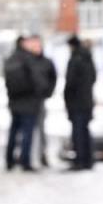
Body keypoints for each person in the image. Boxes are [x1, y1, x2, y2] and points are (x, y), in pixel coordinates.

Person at [3, 35, 48, 171]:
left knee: (13, 132)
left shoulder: (11, 59)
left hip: (14, 102)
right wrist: (42, 91)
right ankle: (25, 161)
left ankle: (9, 160)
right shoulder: (29, 59)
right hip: (29, 102)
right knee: (27, 133)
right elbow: (37, 81)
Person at [63, 35, 97, 171]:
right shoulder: (89, 59)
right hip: (87, 101)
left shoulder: (75, 59)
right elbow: (94, 78)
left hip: (76, 102)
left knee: (77, 133)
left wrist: (67, 98)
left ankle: (80, 161)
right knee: (85, 131)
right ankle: (88, 160)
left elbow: (70, 82)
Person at [27, 34, 57, 168]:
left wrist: (47, 92)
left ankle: (42, 154)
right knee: (27, 130)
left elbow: (53, 78)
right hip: (27, 101)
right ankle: (26, 156)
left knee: (41, 129)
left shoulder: (46, 62)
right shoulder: (26, 61)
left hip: (39, 101)